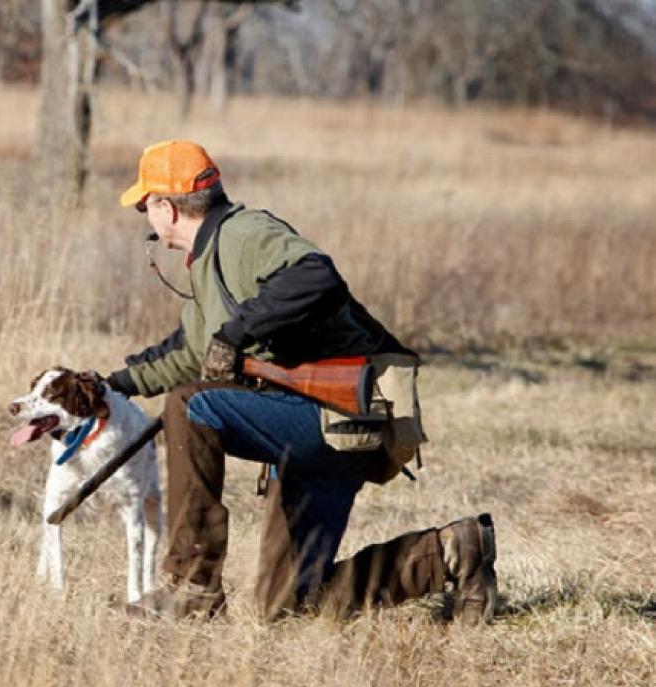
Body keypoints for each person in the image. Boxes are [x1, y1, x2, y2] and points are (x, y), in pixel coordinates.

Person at [104, 139, 498, 624]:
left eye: (146, 205)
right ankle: (453, 552)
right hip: (315, 428)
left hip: (341, 415)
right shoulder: (207, 267)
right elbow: (187, 354)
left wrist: (237, 334)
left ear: (166, 207)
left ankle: (192, 588)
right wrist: (109, 386)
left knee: (189, 407)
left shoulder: (242, 233)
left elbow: (316, 278)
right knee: (288, 607)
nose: (145, 215)